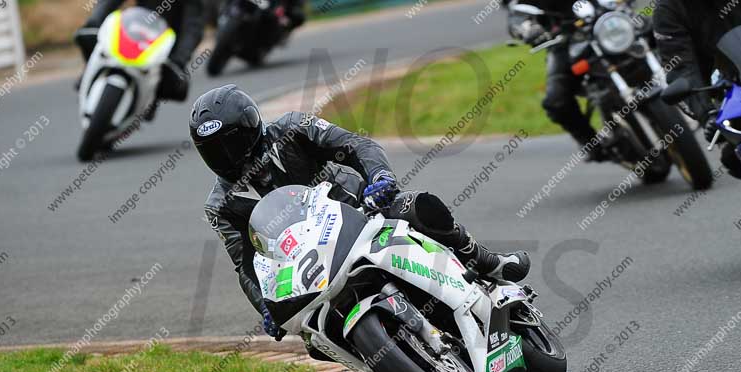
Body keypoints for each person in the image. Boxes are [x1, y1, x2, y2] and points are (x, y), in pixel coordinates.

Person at [191, 85, 531, 338]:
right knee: (312, 335)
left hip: (360, 213)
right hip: (307, 265)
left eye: (231, 143)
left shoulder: (293, 128)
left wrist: (379, 178)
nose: (226, 156)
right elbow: (246, 262)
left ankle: (484, 259)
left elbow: (356, 145)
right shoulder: (221, 204)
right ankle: (386, 357)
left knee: (419, 207)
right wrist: (265, 307)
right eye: (213, 151)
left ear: (252, 127)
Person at [653, 0, 741, 232]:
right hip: (727, 88)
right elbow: (681, 68)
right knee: (734, 154)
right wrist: (706, 113)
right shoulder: (669, 9)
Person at [507, 0, 613, 161]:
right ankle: (590, 143)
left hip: (610, 25)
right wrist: (528, 29)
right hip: (565, 43)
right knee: (556, 101)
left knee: (657, 35)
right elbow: (517, 17)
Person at [75, 0, 205, 103]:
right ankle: (90, 71)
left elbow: (193, 27)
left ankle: (149, 99)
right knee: (87, 36)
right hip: (135, 30)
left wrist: (179, 60)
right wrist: (94, 22)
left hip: (166, 48)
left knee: (179, 86)